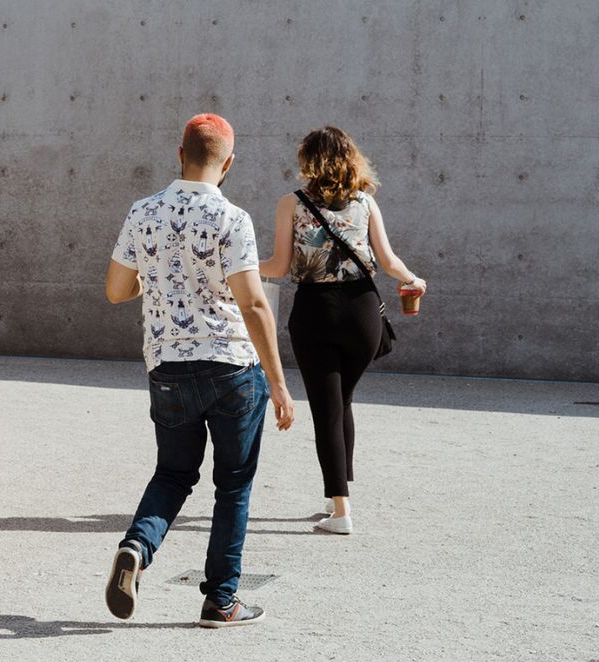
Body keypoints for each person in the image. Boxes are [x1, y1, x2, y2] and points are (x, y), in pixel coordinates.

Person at [104, 114, 295, 628]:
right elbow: (254, 305)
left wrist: (159, 281)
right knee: (232, 485)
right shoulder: (232, 217)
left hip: (167, 368)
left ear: (178, 152)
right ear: (228, 163)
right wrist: (278, 383)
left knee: (173, 473)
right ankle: (221, 600)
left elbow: (117, 290)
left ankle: (137, 549)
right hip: (232, 368)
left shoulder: (142, 213)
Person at [258, 126, 426, 535]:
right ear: (351, 157)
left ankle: (341, 510)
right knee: (342, 400)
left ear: (308, 160)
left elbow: (279, 268)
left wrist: (240, 269)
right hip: (363, 313)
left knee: (327, 410)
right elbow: (387, 261)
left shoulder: (290, 204)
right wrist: (412, 278)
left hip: (316, 311)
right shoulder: (365, 202)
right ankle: (340, 493)